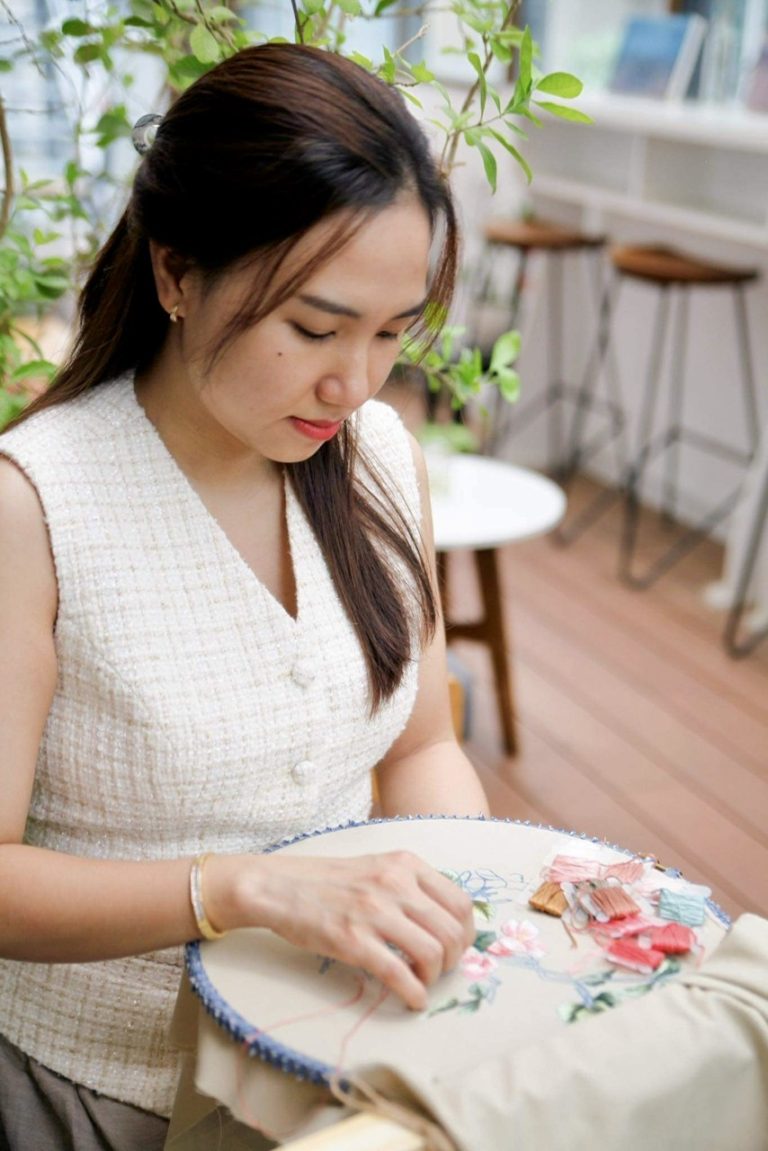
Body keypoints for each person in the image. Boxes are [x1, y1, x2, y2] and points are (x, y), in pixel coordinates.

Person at [0, 42, 489, 1151]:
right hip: (98, 1092)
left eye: (391, 332)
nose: (353, 382)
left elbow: (422, 745)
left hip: (333, 1072)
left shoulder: (378, 459)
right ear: (177, 274)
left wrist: (460, 904)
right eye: (314, 328)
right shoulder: (37, 505)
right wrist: (245, 889)